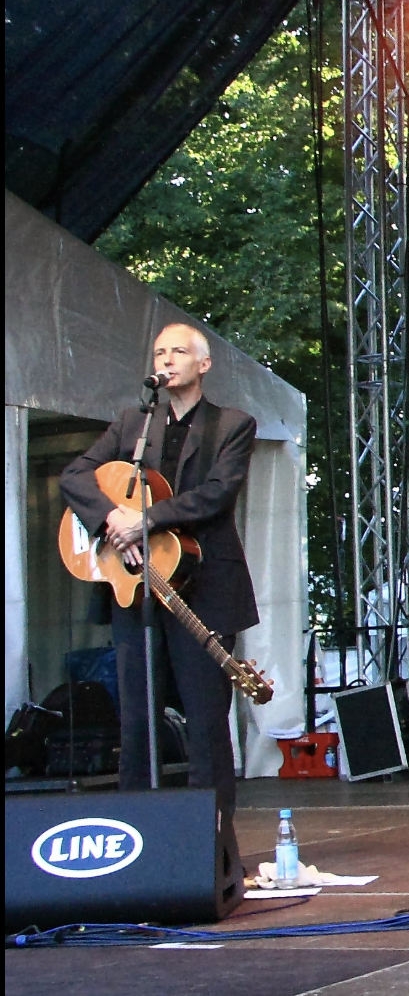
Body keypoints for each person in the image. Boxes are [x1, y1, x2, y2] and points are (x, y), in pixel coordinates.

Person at [60, 323, 259, 814]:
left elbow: (218, 493)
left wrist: (144, 520)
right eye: (158, 353)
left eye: (177, 352)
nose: (165, 360)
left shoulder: (232, 424)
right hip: (138, 587)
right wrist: (110, 520)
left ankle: (211, 841)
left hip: (205, 584)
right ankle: (137, 833)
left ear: (203, 365)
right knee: (138, 720)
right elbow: (75, 475)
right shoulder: (132, 424)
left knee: (205, 718)